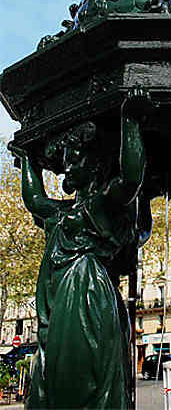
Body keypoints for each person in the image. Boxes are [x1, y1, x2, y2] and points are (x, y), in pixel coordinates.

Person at [11, 91, 150, 410]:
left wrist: (130, 123)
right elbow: (34, 200)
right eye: (68, 160)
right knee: (56, 373)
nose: (68, 167)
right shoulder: (64, 213)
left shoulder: (101, 207)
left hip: (84, 294)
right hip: (61, 299)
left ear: (97, 164)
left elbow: (131, 180)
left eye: (76, 159)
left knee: (80, 374)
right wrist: (27, 159)